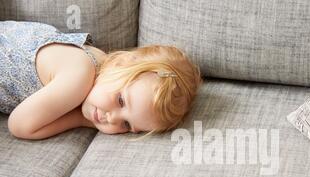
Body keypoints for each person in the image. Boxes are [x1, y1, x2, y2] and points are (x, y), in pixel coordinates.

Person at [0, 20, 203, 140]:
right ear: (119, 64)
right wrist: (81, 119)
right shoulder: (78, 75)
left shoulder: (102, 67)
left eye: (125, 124)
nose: (112, 119)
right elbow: (20, 126)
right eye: (121, 101)